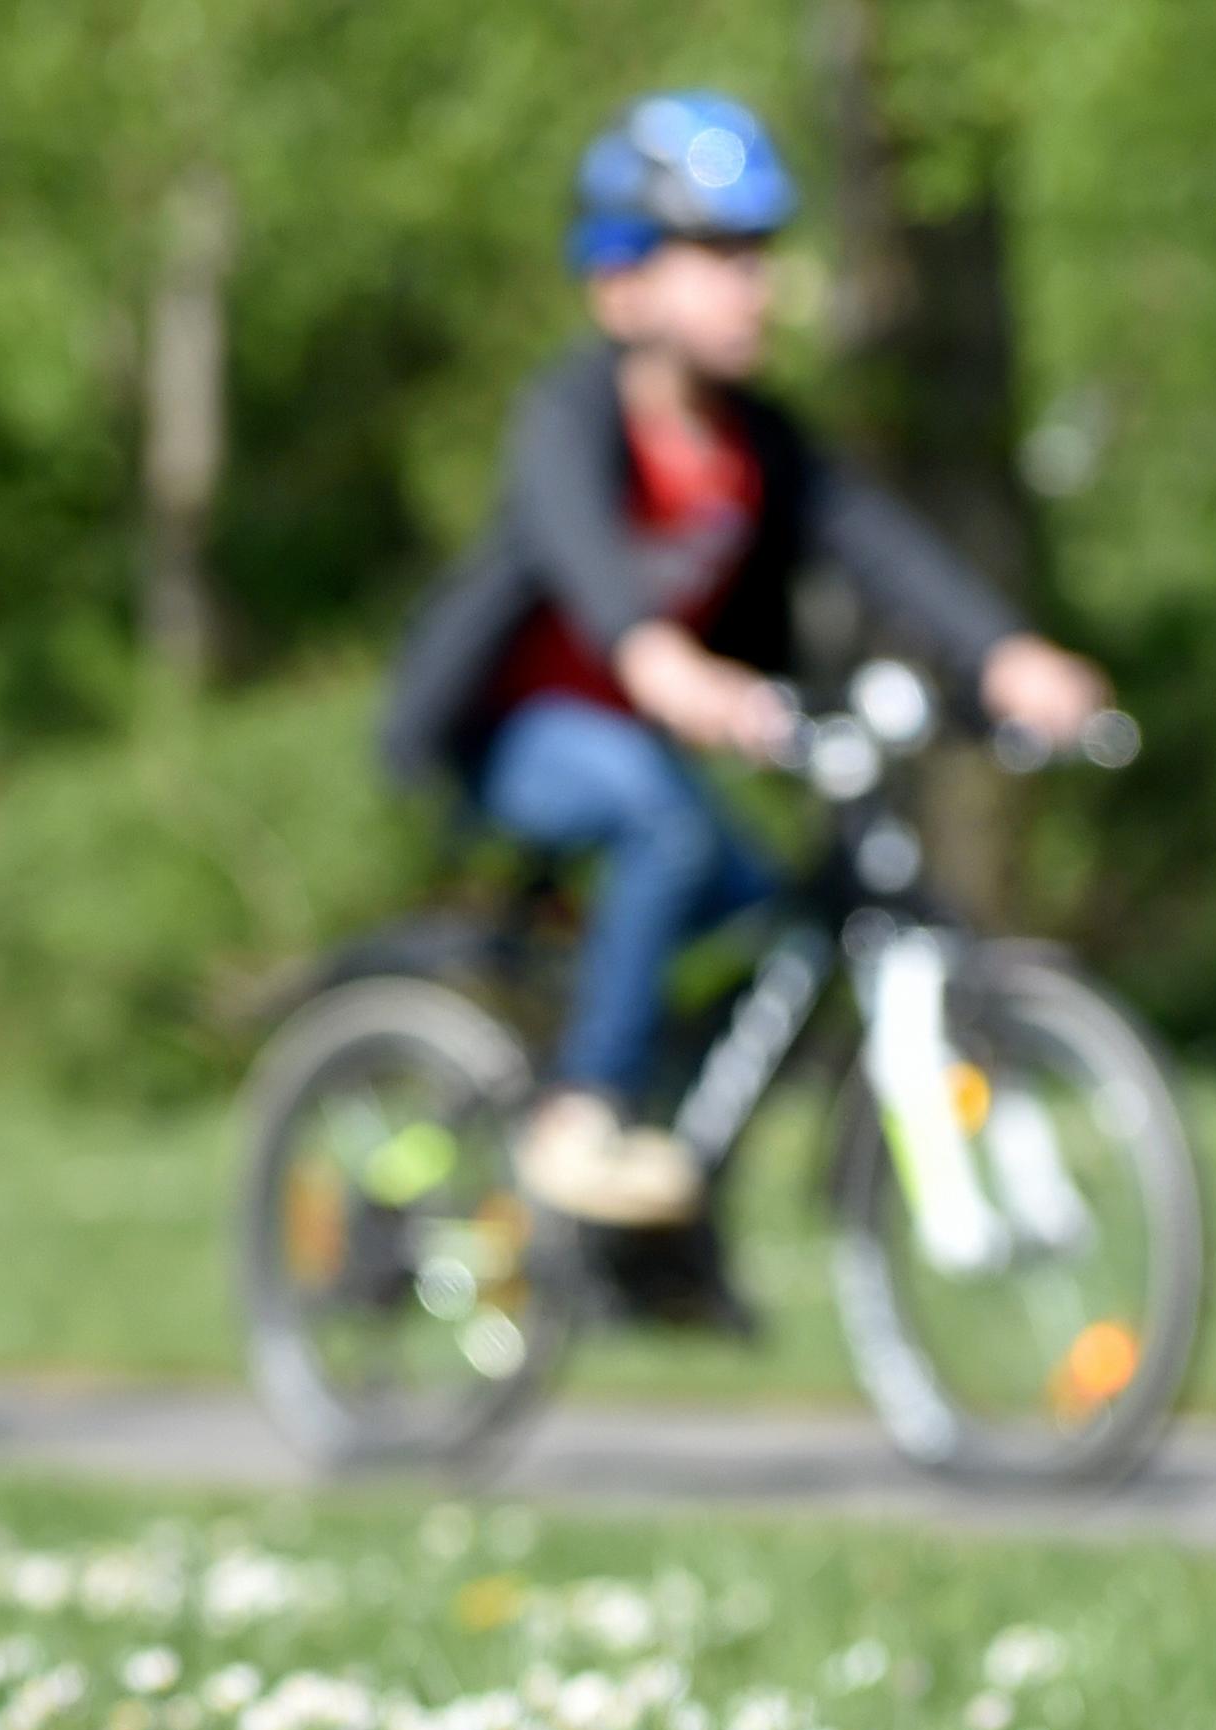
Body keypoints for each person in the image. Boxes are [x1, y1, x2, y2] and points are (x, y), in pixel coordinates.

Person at [377, 91, 1112, 1228]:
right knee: (663, 828)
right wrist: (658, 659)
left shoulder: (759, 443)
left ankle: (664, 1185)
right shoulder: (571, 414)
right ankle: (583, 1109)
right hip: (520, 732)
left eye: (759, 251)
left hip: (648, 747)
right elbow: (581, 547)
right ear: (621, 282)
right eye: (716, 252)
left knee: (772, 913)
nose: (752, 280)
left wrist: (1006, 654)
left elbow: (882, 546)